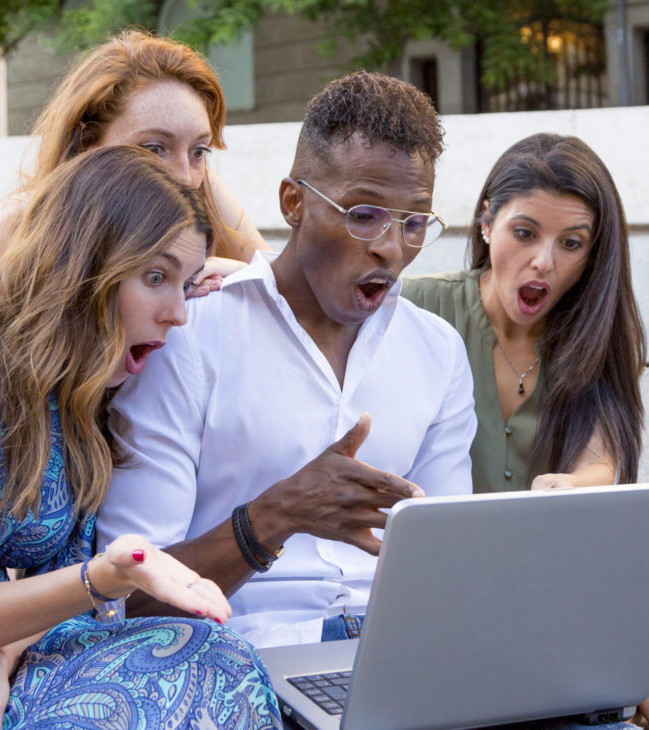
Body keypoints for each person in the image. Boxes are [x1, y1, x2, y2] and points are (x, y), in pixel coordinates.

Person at [97, 70, 477, 649]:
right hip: (242, 658)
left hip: (398, 656)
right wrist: (273, 518)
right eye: (363, 213)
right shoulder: (189, 334)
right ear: (293, 202)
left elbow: (451, 568)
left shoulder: (439, 351)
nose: (390, 246)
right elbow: (123, 598)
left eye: (414, 221)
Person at [0, 146, 282, 730]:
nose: (179, 314)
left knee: (214, 656)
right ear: (82, 264)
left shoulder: (79, 392)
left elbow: (49, 607)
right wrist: (105, 575)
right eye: (156, 277)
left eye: (187, 283)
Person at [401, 132, 646, 494]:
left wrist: (570, 485)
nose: (544, 262)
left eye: (570, 243)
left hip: (547, 544)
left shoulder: (598, 335)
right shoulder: (412, 306)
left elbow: (600, 461)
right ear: (487, 224)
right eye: (524, 233)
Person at [0, 29, 269, 288]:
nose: (185, 178)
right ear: (86, 143)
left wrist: (248, 277)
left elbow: (290, 297)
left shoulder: (198, 192)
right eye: (153, 149)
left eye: (199, 151)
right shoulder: (7, 236)